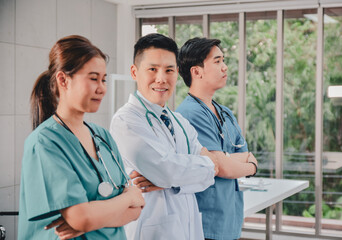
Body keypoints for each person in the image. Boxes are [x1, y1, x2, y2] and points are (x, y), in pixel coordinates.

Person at [18, 35, 144, 240]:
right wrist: (127, 197)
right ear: (63, 80)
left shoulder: (102, 137)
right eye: (93, 78)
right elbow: (81, 217)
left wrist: (91, 221)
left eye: (103, 79)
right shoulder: (45, 142)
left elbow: (136, 209)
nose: (102, 88)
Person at [109, 33, 219, 240]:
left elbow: (210, 174)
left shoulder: (180, 122)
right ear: (134, 72)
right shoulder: (125, 121)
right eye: (152, 69)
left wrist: (174, 180)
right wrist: (201, 167)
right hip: (152, 229)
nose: (161, 78)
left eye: (169, 70)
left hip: (188, 227)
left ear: (177, 73)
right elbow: (167, 170)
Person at [176, 37, 258, 240]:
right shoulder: (190, 113)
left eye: (223, 60)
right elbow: (222, 167)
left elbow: (240, 155)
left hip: (230, 220)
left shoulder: (225, 113)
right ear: (196, 71)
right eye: (217, 61)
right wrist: (251, 167)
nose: (225, 67)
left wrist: (228, 159)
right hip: (206, 223)